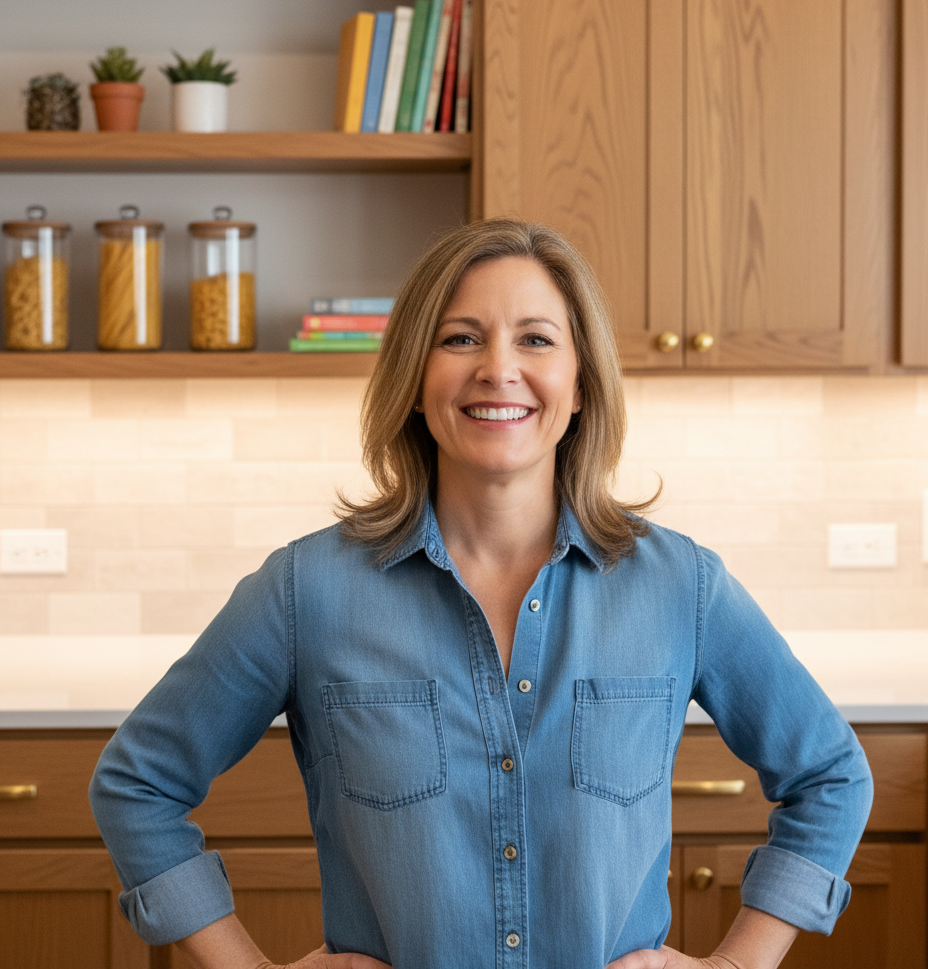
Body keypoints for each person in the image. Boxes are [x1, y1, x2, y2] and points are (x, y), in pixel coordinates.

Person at [90, 218, 872, 969]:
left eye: (536, 339)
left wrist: (740, 961)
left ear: (578, 381)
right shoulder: (306, 592)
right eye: (460, 338)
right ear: (414, 378)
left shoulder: (680, 587)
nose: (498, 369)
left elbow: (831, 777)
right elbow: (137, 786)